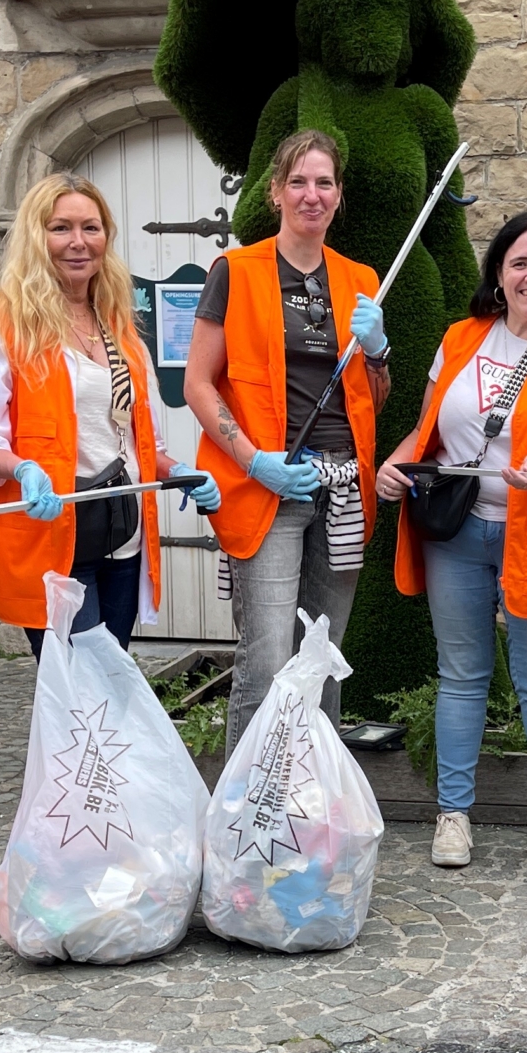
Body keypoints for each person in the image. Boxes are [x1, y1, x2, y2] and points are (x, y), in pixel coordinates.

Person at [378, 211, 527, 868]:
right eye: (520, 263)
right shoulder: (460, 339)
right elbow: (428, 433)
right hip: (457, 533)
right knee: (462, 676)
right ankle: (453, 815)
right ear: (499, 274)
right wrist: (396, 464)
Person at [0, 172, 221, 652]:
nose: (78, 242)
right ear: (37, 238)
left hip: (123, 536)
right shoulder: (0, 330)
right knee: (78, 694)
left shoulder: (120, 329)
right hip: (54, 538)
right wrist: (23, 468)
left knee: (110, 686)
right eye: (61, 228)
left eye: (91, 228)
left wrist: (177, 470)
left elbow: (139, 439)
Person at [185, 128, 390, 754]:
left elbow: (373, 399)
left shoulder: (360, 279)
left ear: (338, 195)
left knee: (321, 652)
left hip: (342, 489)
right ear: (275, 192)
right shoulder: (236, 271)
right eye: (298, 181)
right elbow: (198, 385)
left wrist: (378, 350)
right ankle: (247, 811)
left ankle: (313, 801)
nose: (311, 194)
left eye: (323, 182)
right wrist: (255, 461)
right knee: (269, 654)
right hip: (267, 485)